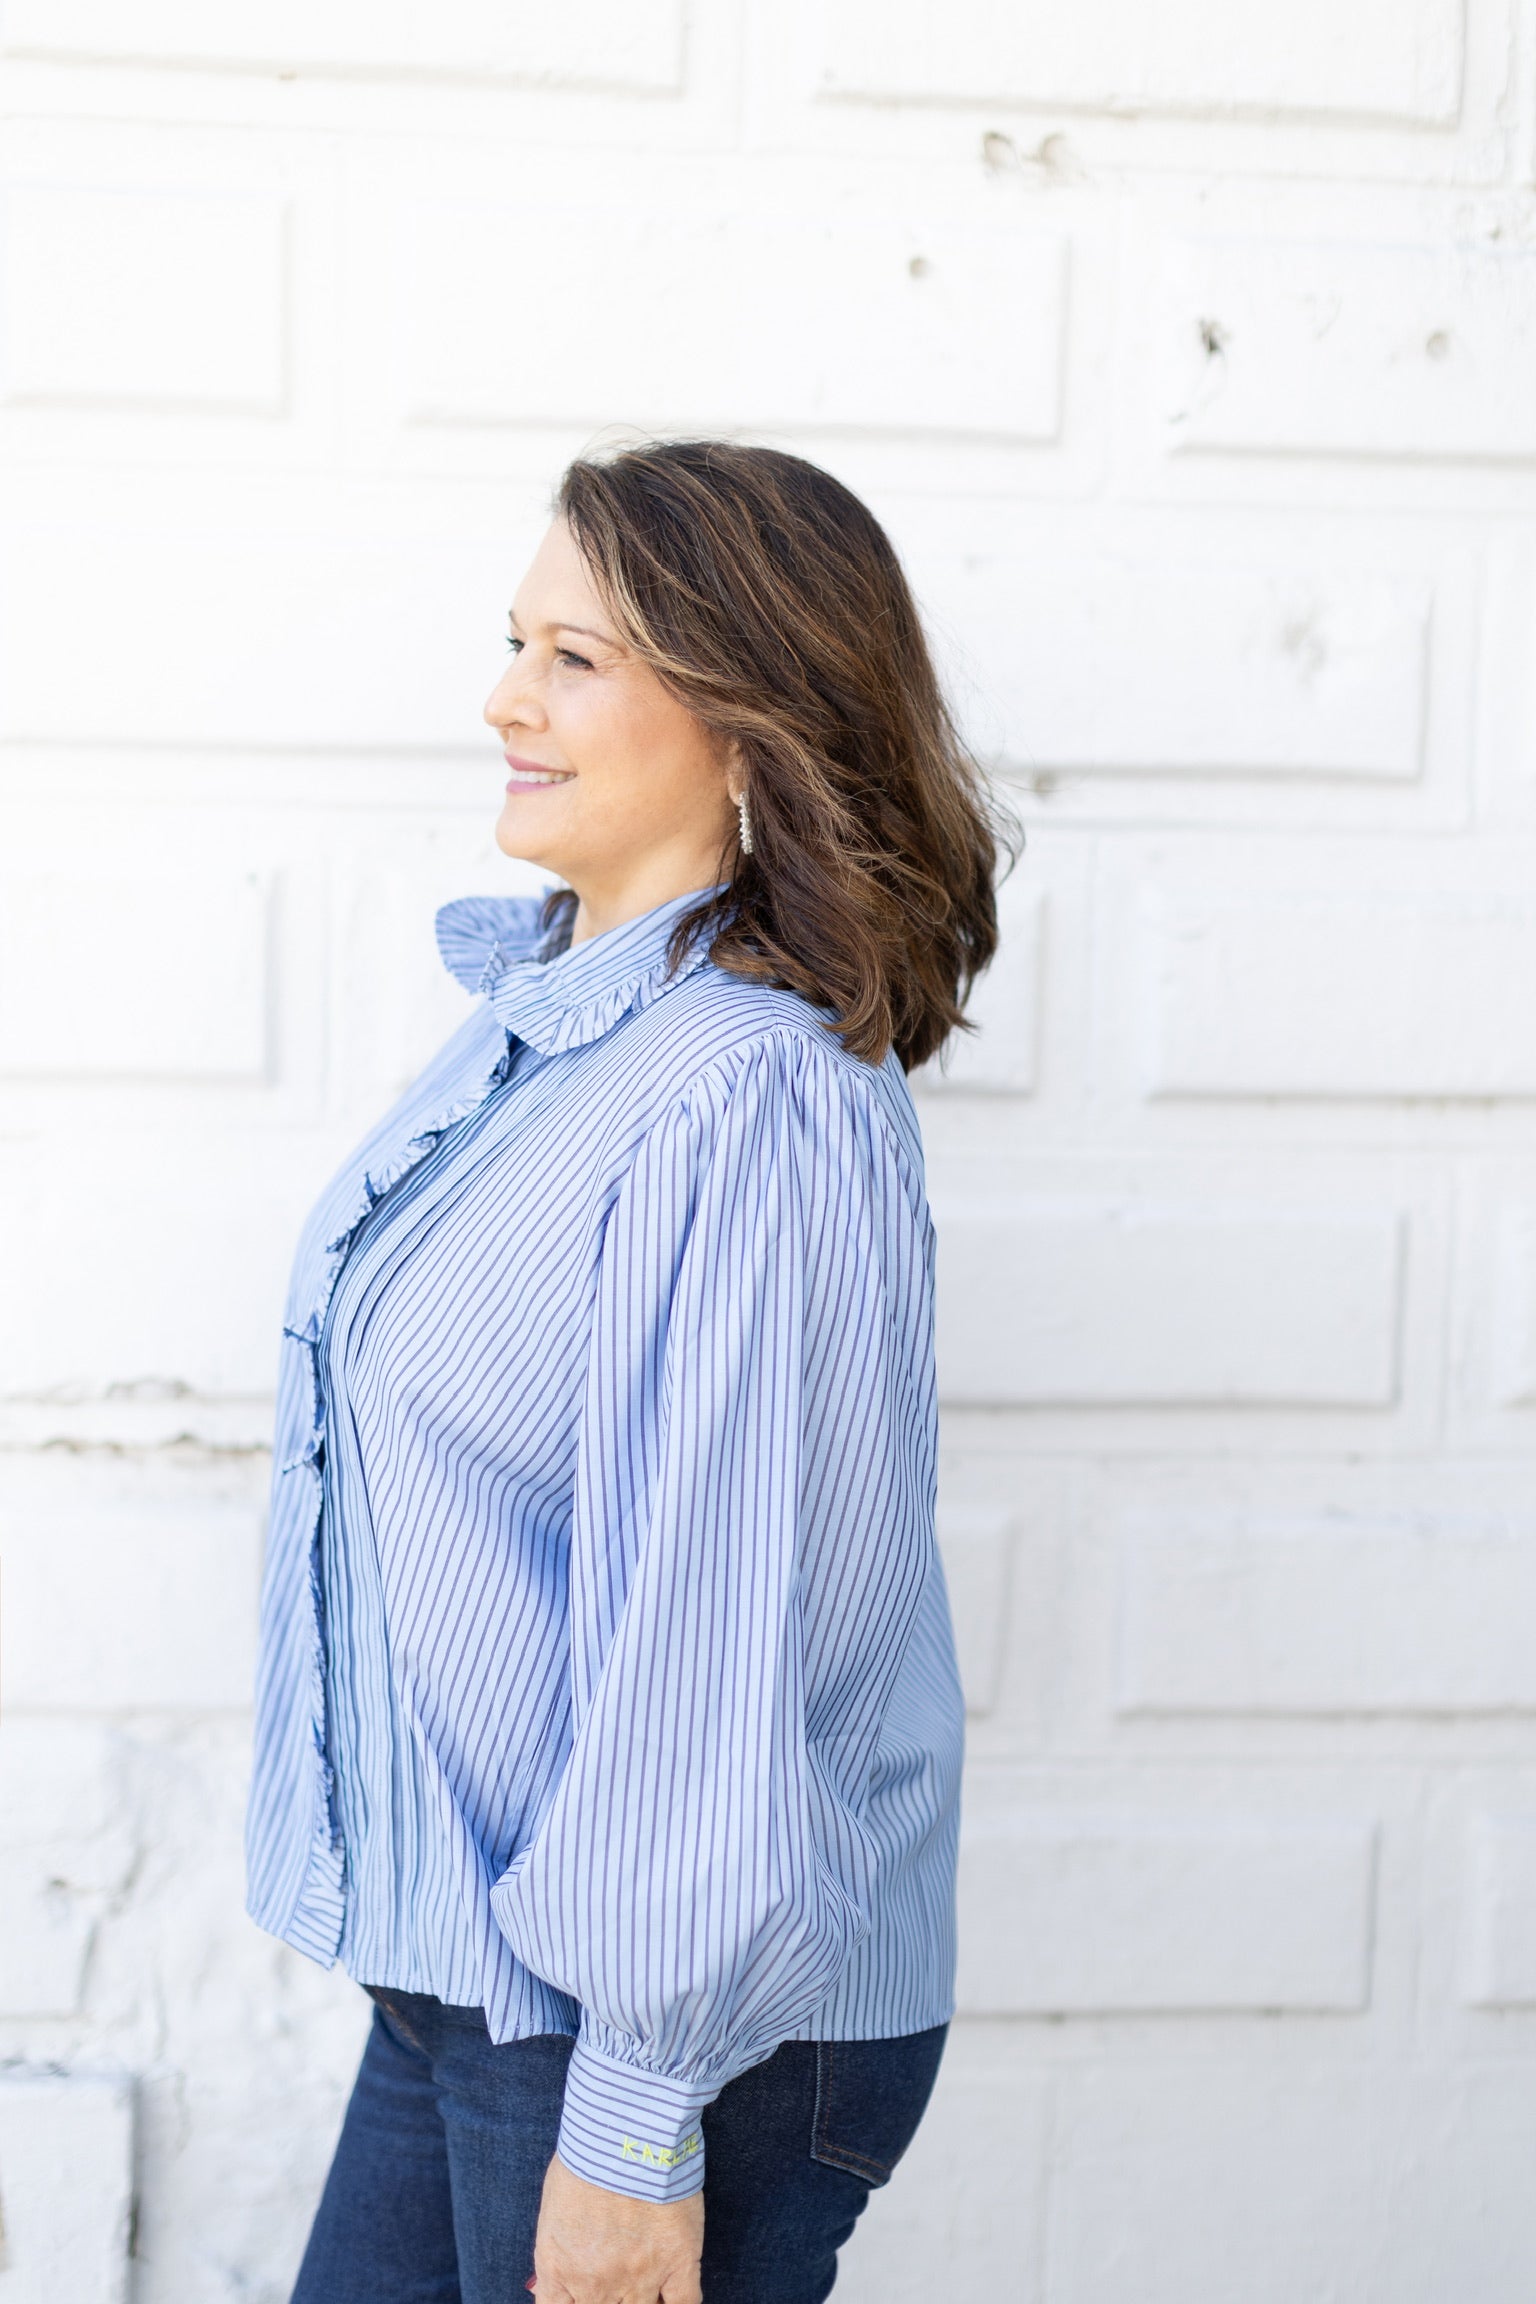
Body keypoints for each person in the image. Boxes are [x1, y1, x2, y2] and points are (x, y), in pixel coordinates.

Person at [245, 439, 1010, 2304]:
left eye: (574, 657)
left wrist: (635, 2111)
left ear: (749, 718)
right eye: (518, 641)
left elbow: (713, 1634)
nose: (504, 695)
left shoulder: (745, 1102)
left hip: (653, 2042)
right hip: (475, 1976)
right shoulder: (558, 1035)